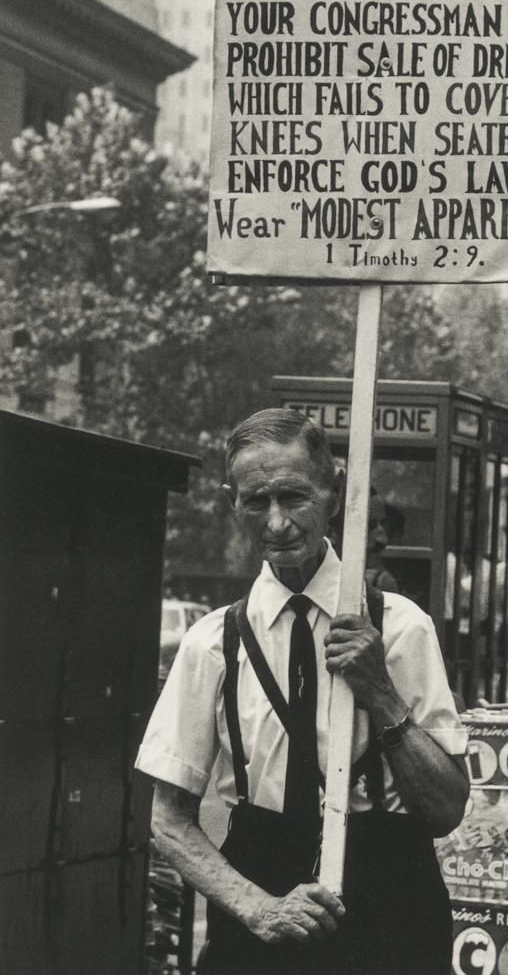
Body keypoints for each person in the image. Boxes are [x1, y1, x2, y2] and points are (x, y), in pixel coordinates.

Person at [136, 408, 469, 975]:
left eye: (294, 498)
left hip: (391, 905)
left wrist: (381, 694)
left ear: (334, 495)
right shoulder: (212, 643)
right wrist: (258, 908)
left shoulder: (400, 627)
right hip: (258, 898)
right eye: (254, 502)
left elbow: (445, 809)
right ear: (231, 501)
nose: (277, 523)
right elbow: (168, 820)